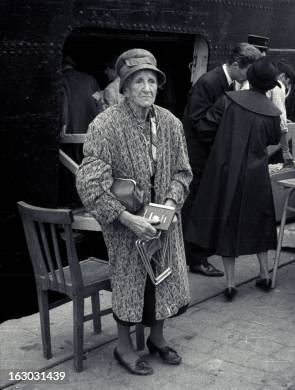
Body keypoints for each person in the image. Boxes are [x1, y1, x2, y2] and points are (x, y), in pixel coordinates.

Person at [76, 48, 192, 375]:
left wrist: (171, 202)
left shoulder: (170, 123)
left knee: (162, 280)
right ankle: (123, 347)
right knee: (129, 284)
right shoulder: (106, 124)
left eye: (151, 80)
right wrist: (127, 218)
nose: (146, 87)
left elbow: (183, 172)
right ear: (123, 87)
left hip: (163, 220)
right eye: (137, 81)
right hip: (126, 224)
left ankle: (157, 338)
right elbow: (89, 181)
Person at [184, 57, 281, 301]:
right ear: (271, 86)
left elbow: (204, 128)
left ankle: (229, 283)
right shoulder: (273, 113)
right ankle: (263, 273)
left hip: (226, 172)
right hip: (257, 175)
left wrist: (223, 146)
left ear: (250, 77)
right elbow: (273, 140)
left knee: (228, 223)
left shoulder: (227, 100)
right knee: (260, 221)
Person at [182, 43, 261, 277]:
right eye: (249, 72)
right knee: (197, 207)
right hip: (198, 158)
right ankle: (196, 259)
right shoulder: (208, 82)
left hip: (209, 155)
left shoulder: (225, 82)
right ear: (236, 65)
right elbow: (198, 122)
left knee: (204, 206)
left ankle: (199, 253)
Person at [247, 34, 293, 164]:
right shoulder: (276, 86)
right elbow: (281, 118)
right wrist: (285, 151)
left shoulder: (242, 77)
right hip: (259, 136)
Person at [59, 55, 101, 134]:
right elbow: (99, 100)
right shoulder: (90, 79)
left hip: (70, 130)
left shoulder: (60, 80)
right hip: (91, 129)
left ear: (61, 66)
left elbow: (62, 105)